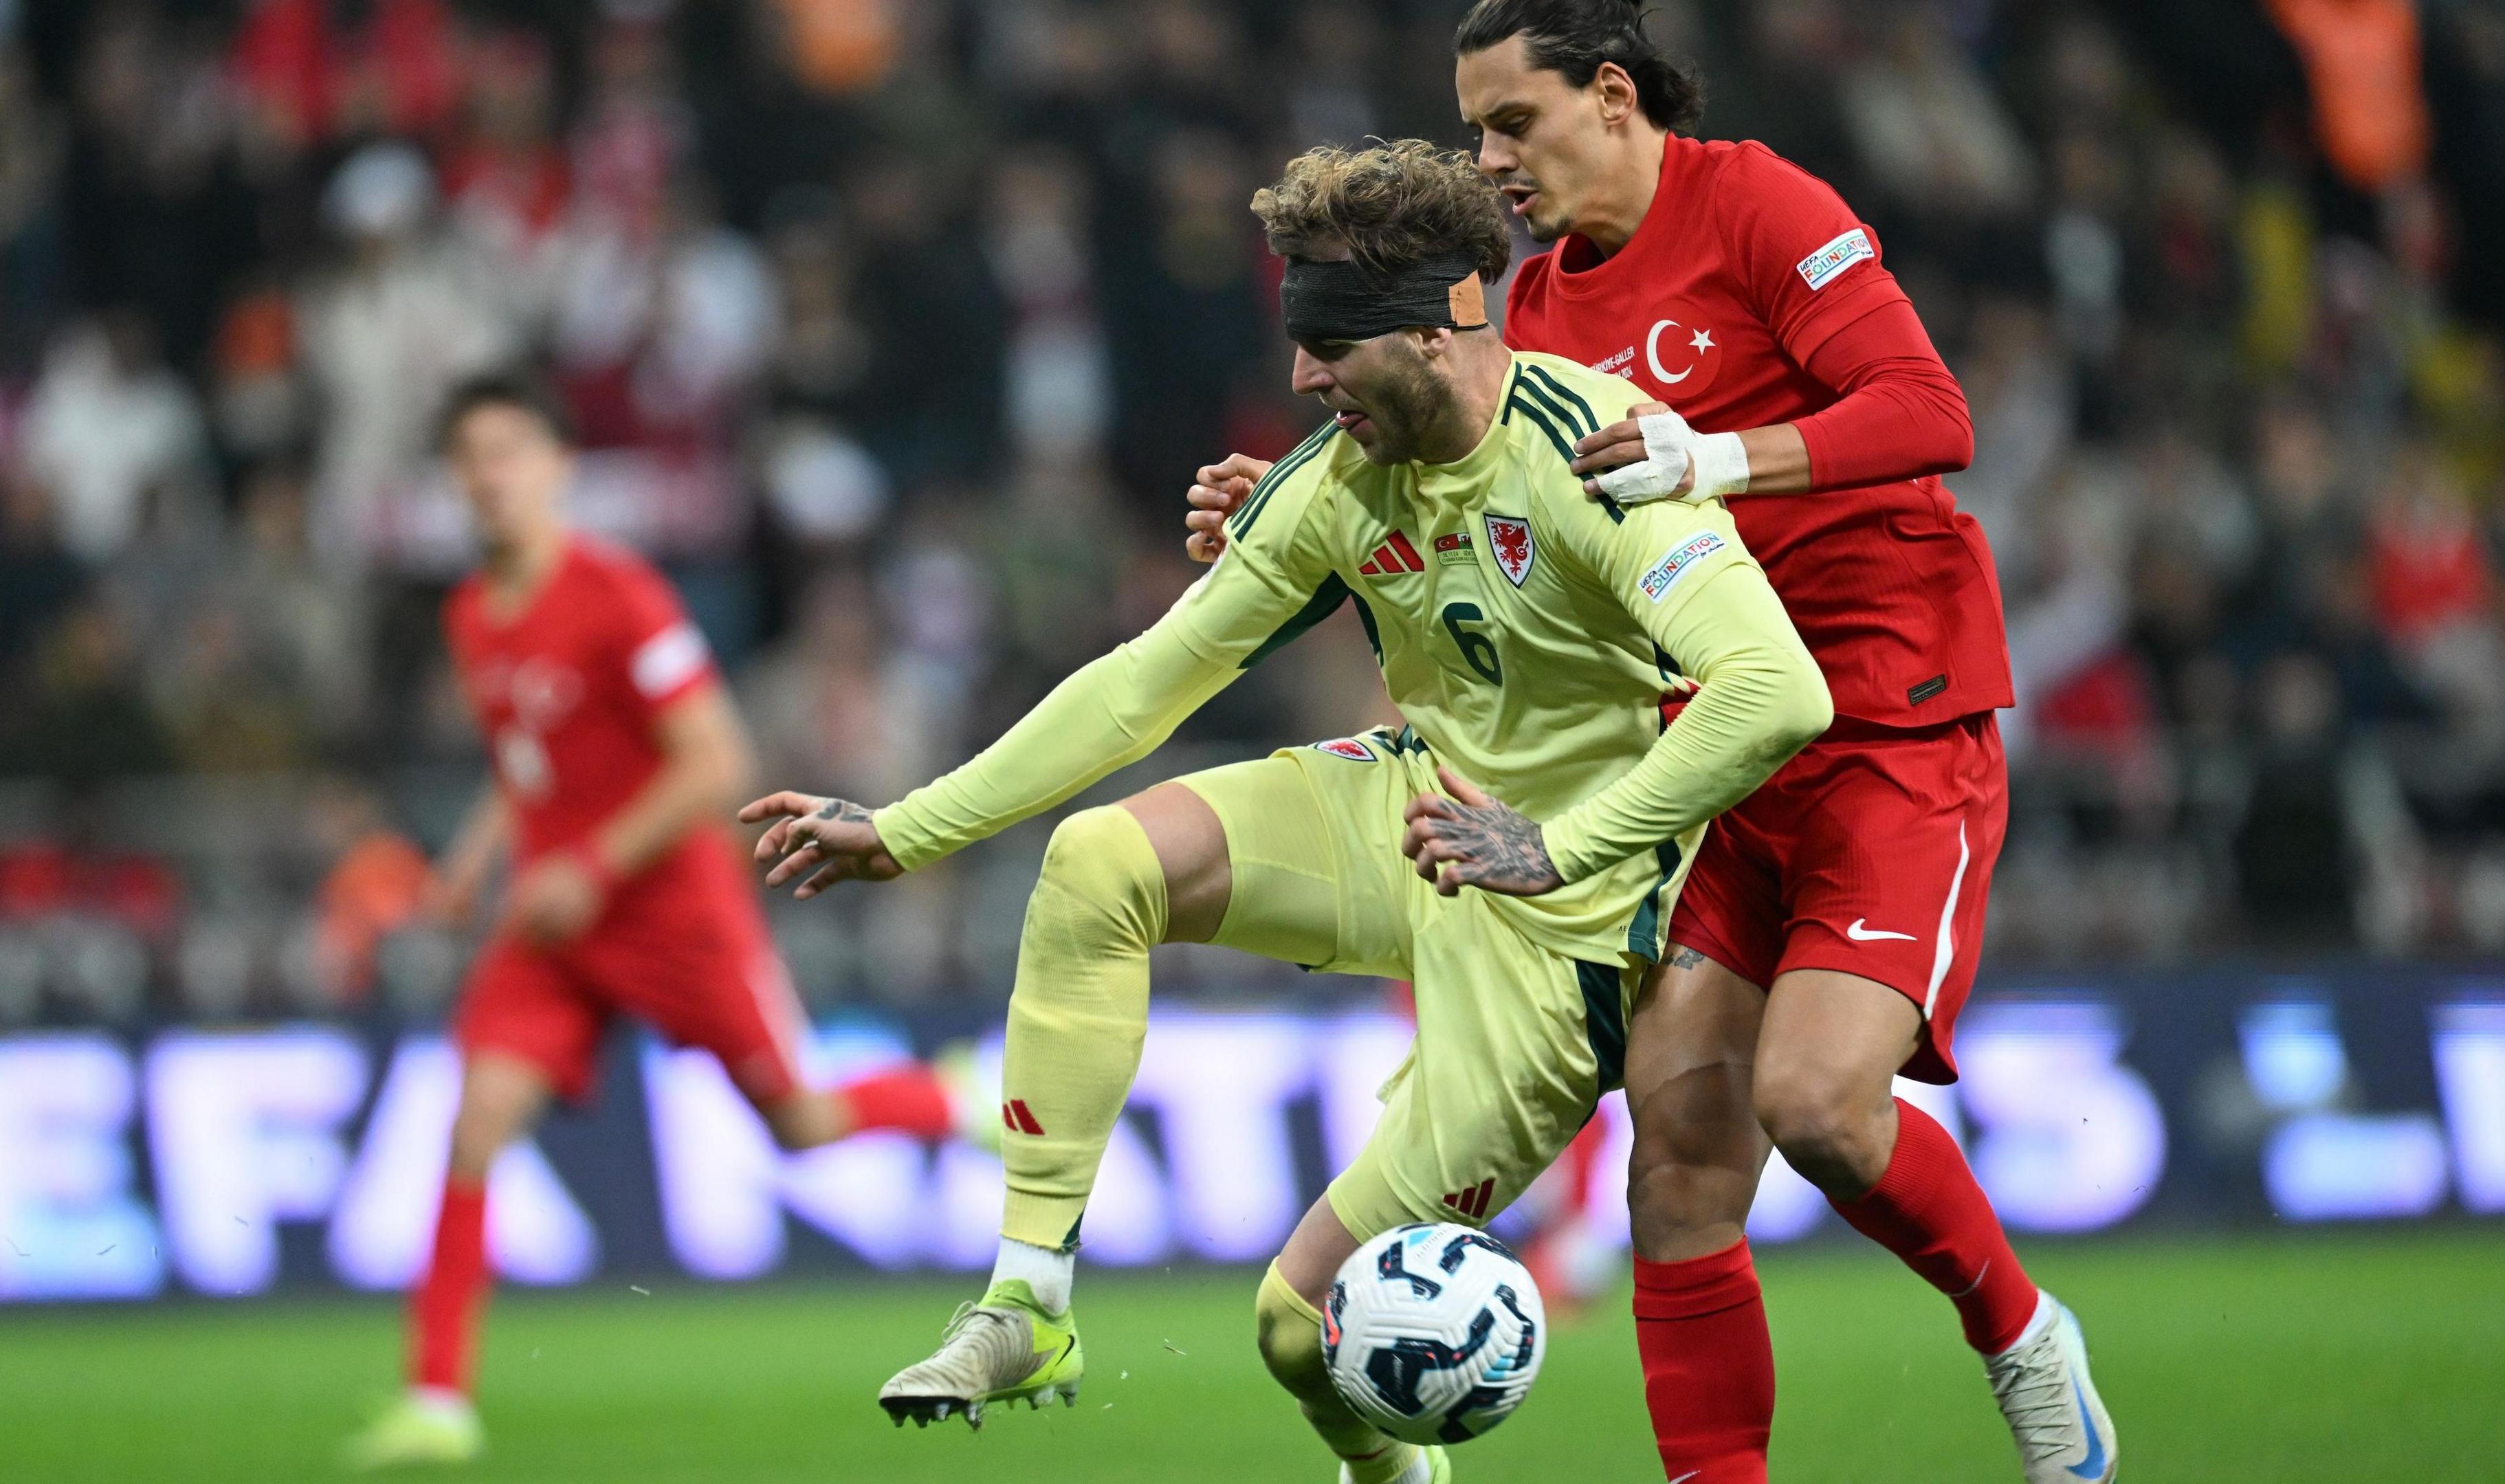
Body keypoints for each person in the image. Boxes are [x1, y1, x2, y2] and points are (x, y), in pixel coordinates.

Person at [744, 138, 1831, 1484]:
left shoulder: (1590, 456)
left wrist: (1556, 847)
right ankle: (1027, 1299)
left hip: (1565, 928)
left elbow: (1778, 693)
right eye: (1298, 343)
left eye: (1331, 345)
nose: (1305, 378)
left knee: (1292, 1329)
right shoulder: (1334, 481)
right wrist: (911, 830)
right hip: (1417, 818)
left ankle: (1389, 1471)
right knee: (1101, 862)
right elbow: (1147, 681)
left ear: (1443, 327)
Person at [1182, 5, 2118, 1482]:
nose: (1490, 162)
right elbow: (1442, 491)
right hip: (1707, 752)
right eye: (1476, 132)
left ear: (1610, 95)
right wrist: (1288, 502)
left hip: (1887, 715)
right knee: (1680, 1162)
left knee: (1814, 1103)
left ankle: (2020, 1338)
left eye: (1512, 124)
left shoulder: (1757, 204)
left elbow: (1931, 412)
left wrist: (1719, 457)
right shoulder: (1534, 308)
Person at [343, 373, 973, 1470]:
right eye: (469, 459)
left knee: (805, 1122)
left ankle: (948, 1099)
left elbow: (716, 760)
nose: (488, 478)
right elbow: (524, 762)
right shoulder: (469, 612)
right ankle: (437, 1401)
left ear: (557, 467)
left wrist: (590, 861)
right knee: (474, 1125)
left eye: (508, 452)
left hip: (671, 911)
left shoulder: (617, 593)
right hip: (553, 923)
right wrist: (470, 861)